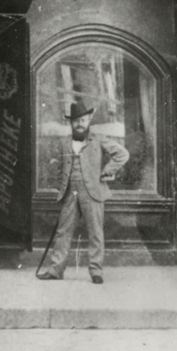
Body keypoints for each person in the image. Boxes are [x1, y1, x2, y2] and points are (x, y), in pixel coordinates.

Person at [38, 101, 129, 284]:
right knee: (63, 231)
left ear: (89, 121)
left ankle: (96, 271)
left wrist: (107, 171)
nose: (80, 124)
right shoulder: (64, 142)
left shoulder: (99, 138)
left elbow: (122, 154)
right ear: (71, 123)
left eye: (83, 120)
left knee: (95, 232)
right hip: (70, 192)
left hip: (93, 191)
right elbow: (58, 166)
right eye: (76, 121)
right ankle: (56, 269)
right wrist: (60, 184)